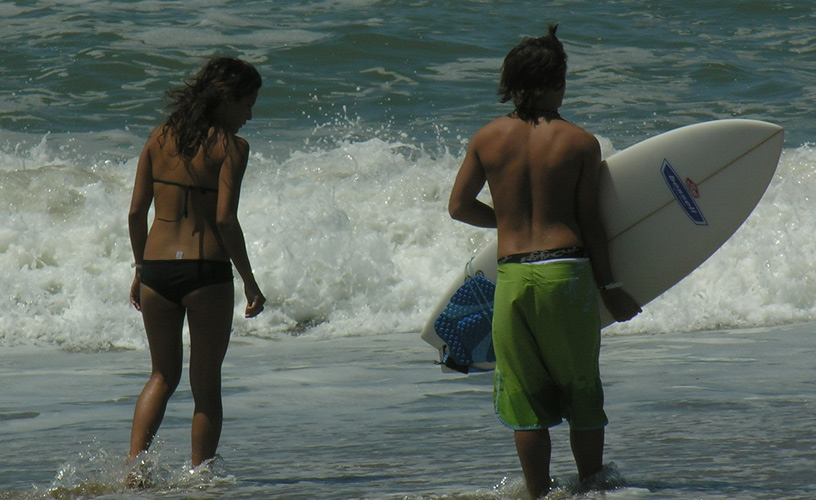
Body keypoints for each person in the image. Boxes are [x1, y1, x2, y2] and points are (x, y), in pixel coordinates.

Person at [447, 26, 642, 499]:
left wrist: (507, 222)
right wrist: (610, 288)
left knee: (524, 397)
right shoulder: (580, 142)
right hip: (566, 275)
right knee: (581, 389)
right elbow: (591, 223)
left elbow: (458, 207)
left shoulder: (487, 139)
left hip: (513, 277)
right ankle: (592, 489)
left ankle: (538, 494)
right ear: (555, 83)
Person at [127, 57, 266, 471]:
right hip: (205, 271)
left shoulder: (158, 137)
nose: (249, 116)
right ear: (226, 99)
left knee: (161, 376)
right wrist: (250, 282)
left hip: (155, 271)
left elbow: (136, 213)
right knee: (205, 384)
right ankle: (200, 480)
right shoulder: (232, 148)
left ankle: (133, 472)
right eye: (247, 105)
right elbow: (225, 220)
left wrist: (140, 269)